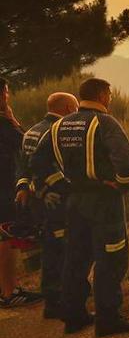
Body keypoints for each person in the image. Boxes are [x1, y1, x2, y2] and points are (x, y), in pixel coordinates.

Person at [28, 77, 129, 335]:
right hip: (104, 201)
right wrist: (121, 185)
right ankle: (108, 319)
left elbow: (38, 161)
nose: (110, 100)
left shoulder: (59, 126)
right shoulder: (105, 123)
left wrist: (60, 186)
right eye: (109, 95)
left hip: (74, 202)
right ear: (102, 95)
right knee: (111, 258)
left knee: (75, 257)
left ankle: (73, 316)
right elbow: (125, 159)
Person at [15, 91, 79, 317]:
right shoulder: (55, 132)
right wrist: (67, 188)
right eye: (76, 107)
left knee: (52, 245)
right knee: (59, 247)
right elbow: (43, 166)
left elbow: (23, 165)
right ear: (69, 109)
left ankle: (60, 293)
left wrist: (23, 187)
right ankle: (55, 299)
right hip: (55, 201)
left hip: (38, 199)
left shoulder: (32, 130)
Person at [0, 76, 44, 309]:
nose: (7, 97)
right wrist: (13, 119)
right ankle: (9, 293)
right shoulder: (4, 124)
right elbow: (26, 143)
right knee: (5, 238)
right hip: (3, 186)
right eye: (5, 92)